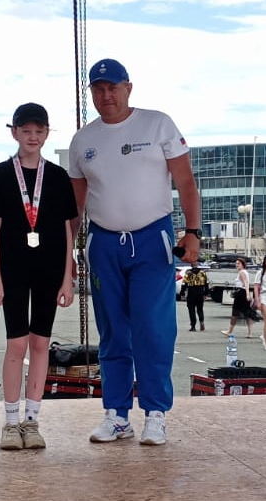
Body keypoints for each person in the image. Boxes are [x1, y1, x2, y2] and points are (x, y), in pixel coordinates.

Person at [68, 58, 200, 447]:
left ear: (128, 88)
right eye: (98, 89)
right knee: (113, 331)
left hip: (151, 239)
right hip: (104, 242)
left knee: (153, 329)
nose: (106, 95)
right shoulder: (83, 141)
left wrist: (192, 232)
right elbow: (75, 207)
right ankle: (117, 415)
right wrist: (67, 253)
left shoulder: (157, 124)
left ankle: (155, 414)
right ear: (91, 93)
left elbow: (186, 182)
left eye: (113, 87)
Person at [0, 102, 77, 450]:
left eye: (39, 131)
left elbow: (67, 231)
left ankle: (32, 420)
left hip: (49, 270)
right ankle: (10, 422)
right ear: (15, 133)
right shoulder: (0, 175)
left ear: (47, 133)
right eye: (26, 131)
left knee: (40, 344)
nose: (32, 137)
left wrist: (67, 277)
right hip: (14, 270)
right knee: (17, 344)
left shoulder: (58, 177)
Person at [221, 258, 255, 339]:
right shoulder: (244, 272)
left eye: (238, 263)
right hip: (242, 293)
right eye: (236, 263)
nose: (237, 265)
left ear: (242, 264)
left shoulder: (242, 272)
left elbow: (246, 283)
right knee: (247, 313)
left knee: (235, 313)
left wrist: (247, 294)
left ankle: (229, 331)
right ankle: (250, 333)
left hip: (241, 293)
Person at [183, 264, 208, 331]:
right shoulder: (202, 273)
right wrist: (206, 293)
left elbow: (184, 284)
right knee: (200, 309)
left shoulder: (188, 273)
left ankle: (193, 326)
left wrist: (182, 293)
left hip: (191, 293)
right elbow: (206, 284)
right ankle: (201, 321)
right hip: (200, 293)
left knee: (191, 310)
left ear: (191, 265)